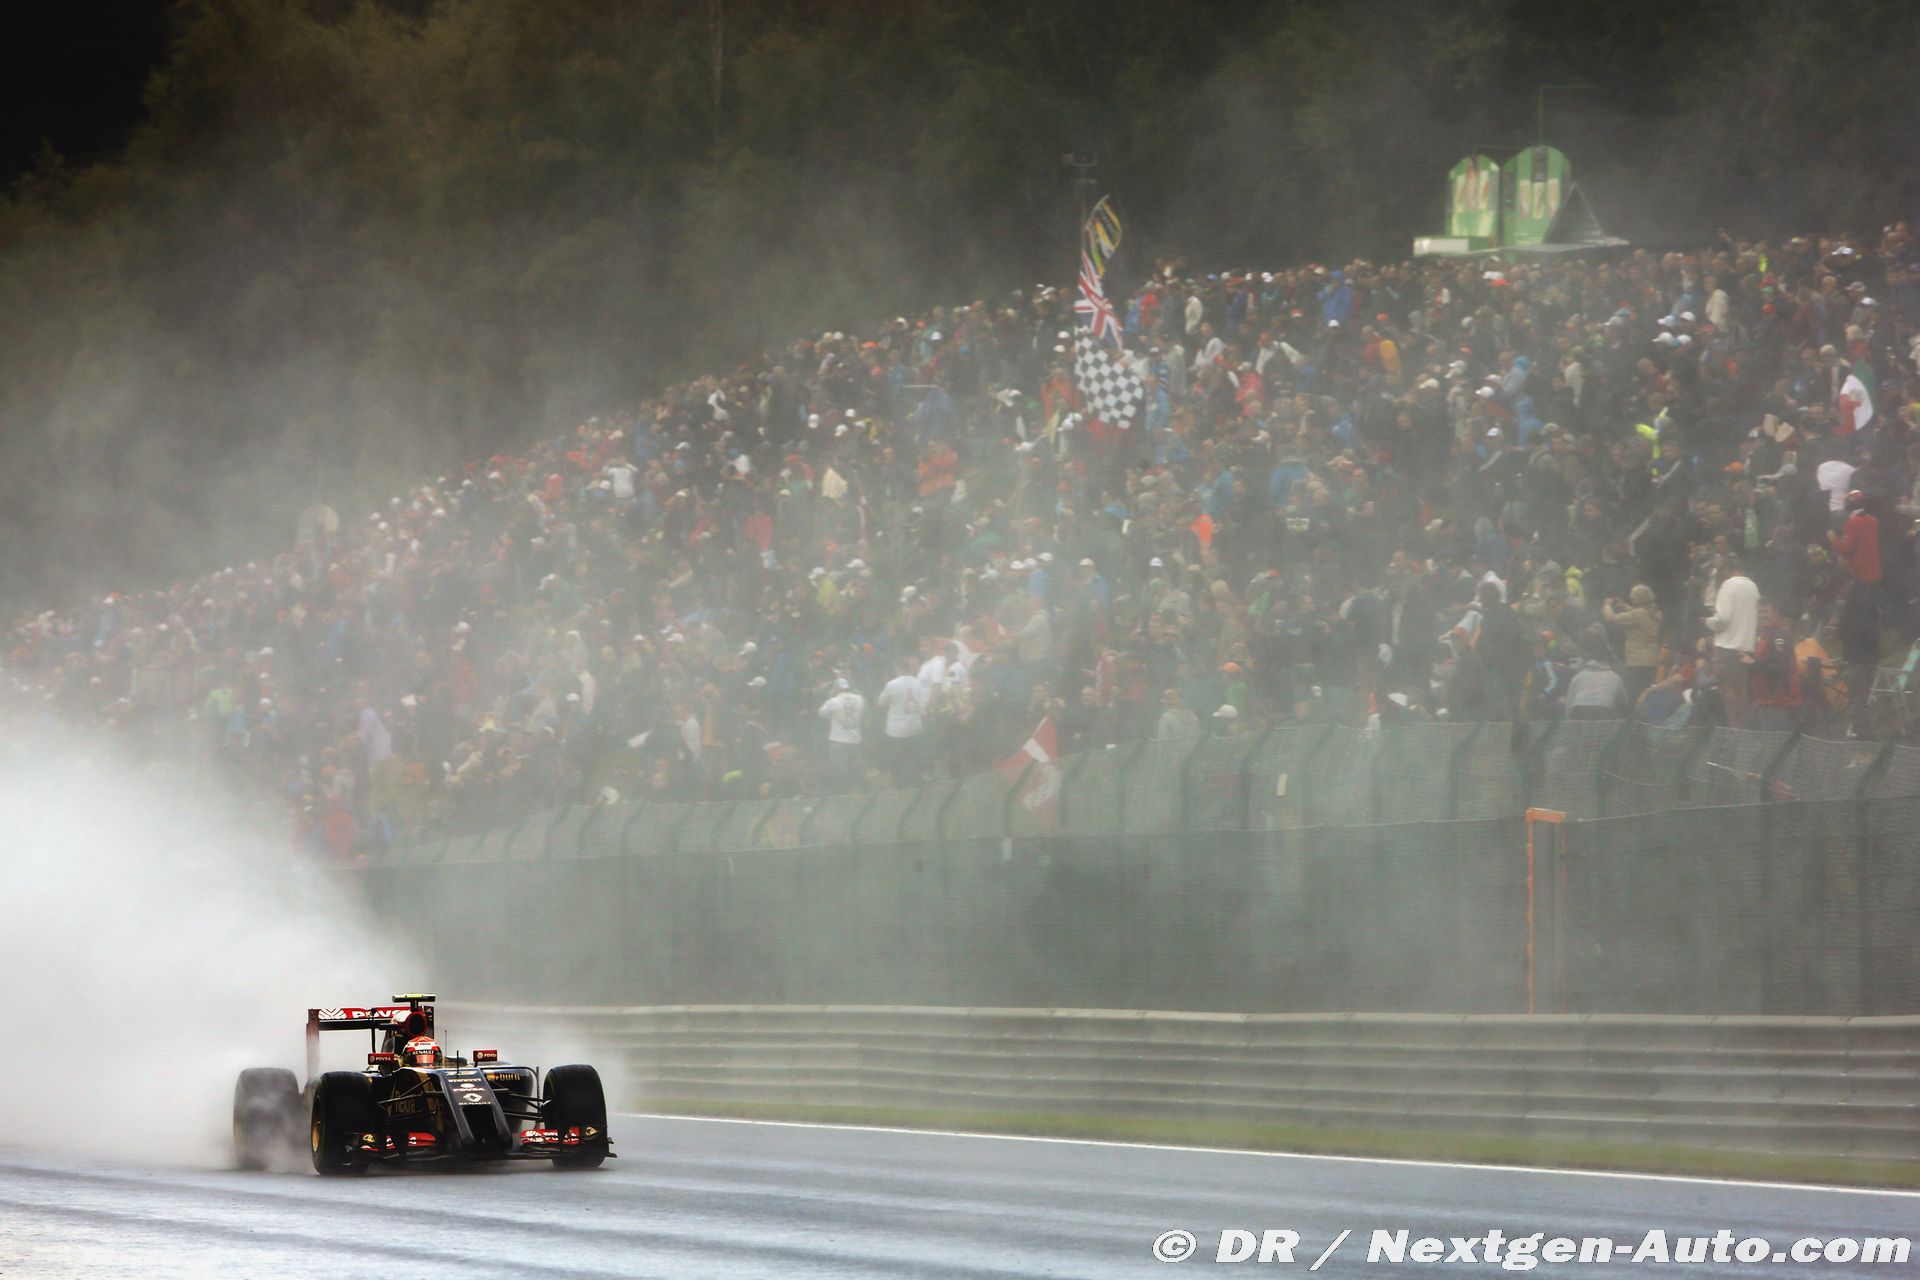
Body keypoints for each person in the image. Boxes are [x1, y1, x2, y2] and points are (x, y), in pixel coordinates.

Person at [1704, 556, 1759, 728]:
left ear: (1726, 570)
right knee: (1742, 697)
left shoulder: (1728, 586)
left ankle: (1732, 734)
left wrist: (1707, 621)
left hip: (1727, 650)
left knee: (1729, 700)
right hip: (1747, 650)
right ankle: (1741, 733)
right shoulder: (1753, 587)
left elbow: (1723, 618)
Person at [1601, 585, 1663, 703]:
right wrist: (1625, 606)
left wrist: (1606, 605)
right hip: (1652, 659)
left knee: (1635, 694)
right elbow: (1639, 614)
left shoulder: (1637, 615)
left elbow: (1611, 618)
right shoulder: (1655, 612)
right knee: (1647, 693)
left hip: (1637, 661)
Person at [877, 656, 929, 786]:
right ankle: (916, 783)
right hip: (915, 726)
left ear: (897, 667)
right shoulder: (917, 682)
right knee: (914, 757)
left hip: (896, 730)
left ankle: (899, 785)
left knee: (897, 760)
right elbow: (923, 703)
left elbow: (881, 703)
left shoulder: (892, 684)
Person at [1564, 626, 1630, 720]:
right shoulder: (1614, 678)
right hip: (1604, 713)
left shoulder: (1578, 678)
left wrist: (1569, 722)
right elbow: (1624, 705)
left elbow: (1568, 707)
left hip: (1578, 713)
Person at [817, 677, 866, 791]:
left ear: (836, 688)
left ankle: (842, 792)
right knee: (856, 768)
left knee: (839, 770)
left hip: (838, 740)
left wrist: (830, 697)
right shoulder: (860, 699)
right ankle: (860, 790)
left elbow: (822, 713)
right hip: (855, 739)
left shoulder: (834, 701)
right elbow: (863, 713)